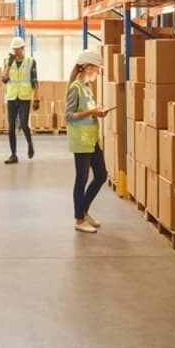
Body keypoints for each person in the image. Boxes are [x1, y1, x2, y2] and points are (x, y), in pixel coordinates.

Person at [66, 50, 112, 234]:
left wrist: (98, 111)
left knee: (101, 175)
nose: (98, 72)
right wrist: (92, 113)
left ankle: (83, 211)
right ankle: (79, 219)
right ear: (87, 68)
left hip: (92, 139)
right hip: (81, 140)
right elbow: (69, 116)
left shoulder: (87, 88)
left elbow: (88, 110)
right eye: (97, 69)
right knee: (82, 179)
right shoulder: (75, 88)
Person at [1, 37, 40, 164]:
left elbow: (35, 82)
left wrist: (37, 99)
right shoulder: (8, 61)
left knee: (23, 123)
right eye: (14, 50)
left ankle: (30, 144)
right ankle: (13, 154)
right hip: (12, 97)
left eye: (17, 49)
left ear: (23, 49)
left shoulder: (30, 62)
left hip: (24, 97)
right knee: (11, 126)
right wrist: (8, 65)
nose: (15, 52)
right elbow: (4, 79)